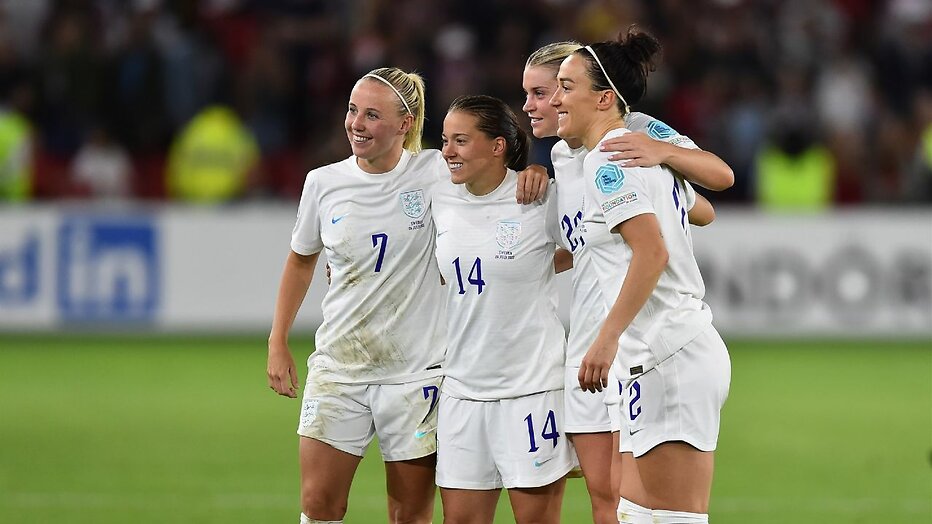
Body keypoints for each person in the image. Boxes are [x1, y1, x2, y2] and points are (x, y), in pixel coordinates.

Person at [267, 67, 549, 524]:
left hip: (416, 375)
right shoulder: (323, 183)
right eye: (353, 110)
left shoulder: (437, 171)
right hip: (340, 367)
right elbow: (301, 260)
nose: (356, 123)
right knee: (319, 504)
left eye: (372, 115)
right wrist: (277, 340)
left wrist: (533, 168)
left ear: (405, 123)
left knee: (410, 514)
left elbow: (493, 181)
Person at [522, 41, 731, 524]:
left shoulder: (622, 148)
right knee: (635, 513)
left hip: (665, 348)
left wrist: (605, 339)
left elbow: (658, 244)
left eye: (559, 88)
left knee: (665, 516)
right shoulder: (586, 156)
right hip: (647, 354)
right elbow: (677, 217)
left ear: (603, 96)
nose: (548, 101)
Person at [432, 95, 573, 524]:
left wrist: (535, 266)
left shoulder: (538, 196)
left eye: (460, 140)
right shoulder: (439, 196)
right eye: (444, 140)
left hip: (530, 390)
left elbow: (591, 246)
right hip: (461, 390)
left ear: (497, 146)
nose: (447, 152)